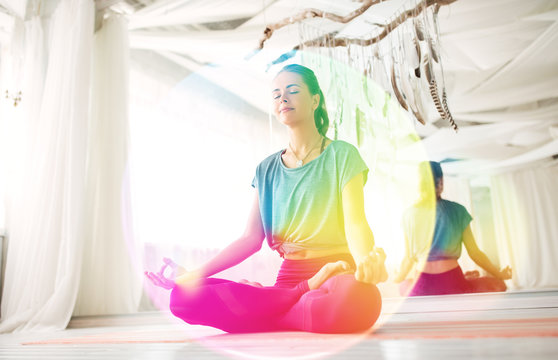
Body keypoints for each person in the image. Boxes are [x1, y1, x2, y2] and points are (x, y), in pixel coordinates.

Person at [145, 64, 388, 334]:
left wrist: (365, 261)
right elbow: (250, 239)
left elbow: (356, 223)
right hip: (290, 280)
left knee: (360, 299)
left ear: (315, 100)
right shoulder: (267, 169)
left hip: (336, 274)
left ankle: (269, 312)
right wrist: (194, 274)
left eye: (293, 91)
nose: (283, 98)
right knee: (181, 298)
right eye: (276, 94)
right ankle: (296, 300)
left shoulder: (342, 154)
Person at [394, 161, 512, 296]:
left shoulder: (408, 214)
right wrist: (499, 274)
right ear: (441, 182)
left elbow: (408, 258)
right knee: (498, 285)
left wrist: (397, 278)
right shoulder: (458, 210)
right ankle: (467, 279)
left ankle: (465, 279)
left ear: (419, 184)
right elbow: (474, 253)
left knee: (403, 286)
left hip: (422, 286)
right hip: (452, 281)